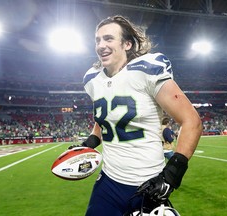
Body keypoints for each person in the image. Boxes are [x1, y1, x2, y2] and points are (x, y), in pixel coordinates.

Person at [70, 15, 202, 215]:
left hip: (147, 184)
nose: (101, 45)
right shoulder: (92, 80)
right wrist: (90, 142)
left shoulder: (146, 71)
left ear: (127, 44)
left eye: (108, 38)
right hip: (108, 182)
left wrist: (171, 175)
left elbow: (191, 120)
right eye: (97, 40)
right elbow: (104, 118)